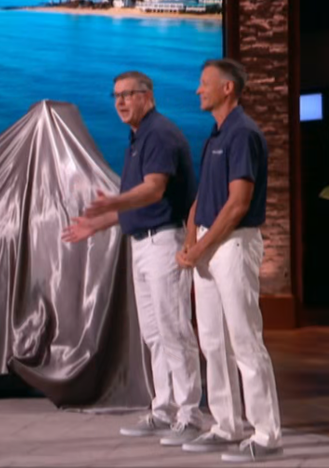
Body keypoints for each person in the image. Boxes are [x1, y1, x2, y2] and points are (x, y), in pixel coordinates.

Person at [62, 70, 206, 445]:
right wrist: (99, 223)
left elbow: (153, 191)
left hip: (165, 243)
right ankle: (164, 409)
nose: (121, 102)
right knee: (155, 334)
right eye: (116, 96)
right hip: (143, 243)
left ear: (148, 96)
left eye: (128, 94)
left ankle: (190, 415)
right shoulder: (138, 138)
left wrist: (112, 202)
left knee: (174, 330)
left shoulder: (159, 134)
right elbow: (138, 205)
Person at [176, 59, 283, 462]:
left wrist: (201, 248)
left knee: (245, 340)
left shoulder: (243, 133)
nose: (197, 90)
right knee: (213, 342)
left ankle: (267, 434)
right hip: (208, 244)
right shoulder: (217, 135)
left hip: (233, 245)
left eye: (204, 83)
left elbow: (238, 204)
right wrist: (191, 239)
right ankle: (226, 425)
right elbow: (203, 197)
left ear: (227, 89)